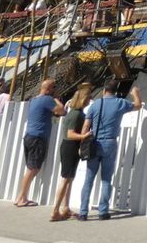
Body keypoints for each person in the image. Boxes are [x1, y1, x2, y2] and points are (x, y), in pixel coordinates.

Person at [78, 78, 143, 220]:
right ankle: (103, 211)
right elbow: (138, 106)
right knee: (106, 179)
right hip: (110, 143)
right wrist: (135, 94)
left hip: (94, 142)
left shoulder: (95, 105)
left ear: (104, 90)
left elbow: (85, 127)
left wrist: (83, 141)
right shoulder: (120, 103)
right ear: (116, 90)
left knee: (89, 179)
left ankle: (83, 212)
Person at [14, 77, 65, 207]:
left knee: (30, 168)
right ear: (50, 89)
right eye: (54, 88)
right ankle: (22, 197)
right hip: (38, 137)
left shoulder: (33, 100)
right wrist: (56, 100)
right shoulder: (48, 100)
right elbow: (62, 111)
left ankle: (21, 196)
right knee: (33, 168)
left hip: (29, 136)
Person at [51, 82, 94, 221]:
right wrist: (84, 136)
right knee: (65, 179)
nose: (89, 100)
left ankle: (65, 207)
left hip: (70, 146)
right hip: (70, 146)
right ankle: (55, 210)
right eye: (87, 98)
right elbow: (70, 134)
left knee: (69, 179)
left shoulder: (75, 113)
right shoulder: (75, 115)